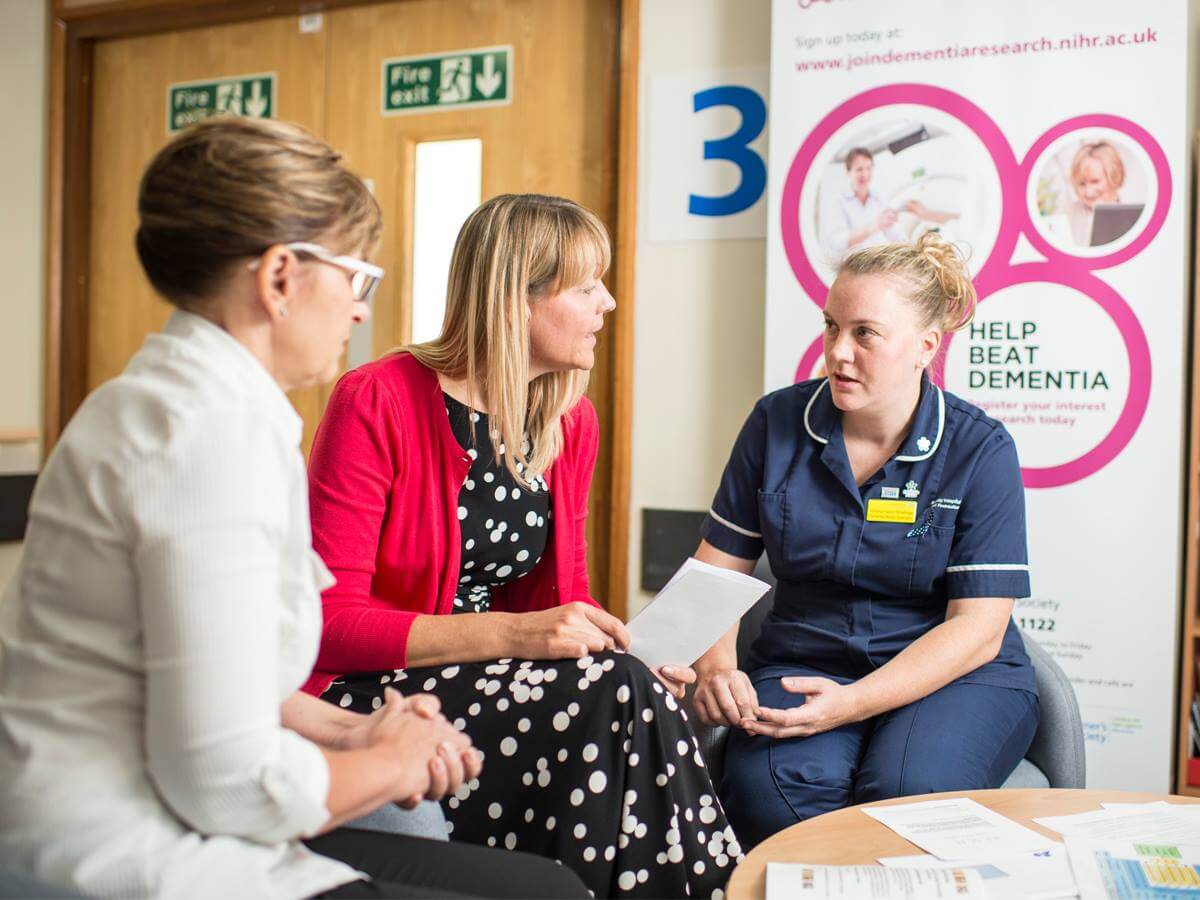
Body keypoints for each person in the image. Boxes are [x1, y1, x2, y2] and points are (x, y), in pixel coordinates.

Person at [0, 117, 587, 900]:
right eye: (356, 279)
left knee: (542, 887)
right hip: (137, 854)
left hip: (187, 822)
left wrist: (355, 729)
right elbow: (225, 782)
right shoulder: (202, 442)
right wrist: (393, 762)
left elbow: (210, 677)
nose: (356, 310)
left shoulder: (180, 405)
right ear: (280, 277)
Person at [304, 193, 742, 898]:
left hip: (493, 680)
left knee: (629, 685)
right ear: (515, 299)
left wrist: (617, 646)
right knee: (620, 700)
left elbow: (561, 599)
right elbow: (328, 627)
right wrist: (515, 633)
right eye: (585, 286)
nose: (609, 304)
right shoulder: (377, 399)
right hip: (372, 691)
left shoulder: (568, 420)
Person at [692, 232, 1040, 848]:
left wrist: (851, 705)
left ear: (926, 347)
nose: (837, 352)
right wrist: (717, 666)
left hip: (953, 673)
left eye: (865, 333)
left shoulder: (979, 448)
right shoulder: (775, 424)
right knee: (774, 800)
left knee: (911, 797)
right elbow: (715, 574)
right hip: (805, 660)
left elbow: (977, 629)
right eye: (830, 327)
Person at [1065, 140, 1125, 246]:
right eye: (1082, 184)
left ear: (1114, 177)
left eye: (1095, 181)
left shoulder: (1132, 218)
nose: (1089, 193)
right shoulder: (1066, 215)